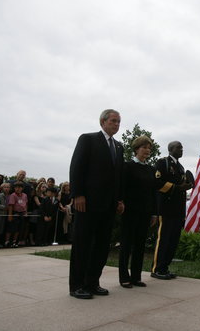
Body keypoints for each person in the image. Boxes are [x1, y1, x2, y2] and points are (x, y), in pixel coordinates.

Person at [69, 109, 124, 299]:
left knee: (101, 245)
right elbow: (77, 167)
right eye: (113, 121)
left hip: (108, 205)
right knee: (83, 244)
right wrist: (78, 194)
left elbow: (118, 177)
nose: (116, 124)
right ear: (103, 122)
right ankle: (77, 285)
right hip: (88, 202)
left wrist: (119, 199)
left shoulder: (119, 147)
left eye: (118, 122)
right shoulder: (88, 139)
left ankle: (92, 282)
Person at [118, 136, 159, 288]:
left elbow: (153, 192)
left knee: (140, 245)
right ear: (136, 149)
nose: (147, 150)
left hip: (146, 212)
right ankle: (124, 277)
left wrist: (154, 213)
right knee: (126, 245)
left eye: (149, 148)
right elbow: (122, 187)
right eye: (144, 147)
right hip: (130, 211)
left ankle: (136, 276)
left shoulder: (151, 169)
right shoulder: (127, 166)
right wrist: (120, 202)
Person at [151, 141, 193, 279]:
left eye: (182, 147)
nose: (181, 149)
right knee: (163, 239)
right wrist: (177, 188)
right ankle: (157, 269)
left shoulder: (180, 167)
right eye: (178, 147)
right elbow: (157, 183)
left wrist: (187, 185)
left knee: (173, 240)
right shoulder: (163, 163)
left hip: (178, 209)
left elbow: (182, 185)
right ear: (170, 149)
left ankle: (165, 268)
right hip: (166, 208)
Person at [5, 181, 28, 248]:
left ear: (22, 188)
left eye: (20, 187)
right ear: (14, 188)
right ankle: (7, 241)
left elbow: (26, 204)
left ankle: (15, 241)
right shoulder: (13, 195)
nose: (18, 189)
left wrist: (25, 212)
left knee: (18, 229)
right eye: (16, 187)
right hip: (14, 213)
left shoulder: (24, 195)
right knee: (11, 228)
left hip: (22, 213)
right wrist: (10, 215)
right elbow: (11, 206)